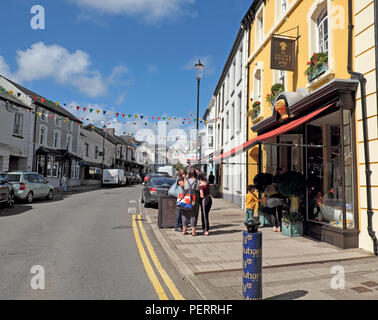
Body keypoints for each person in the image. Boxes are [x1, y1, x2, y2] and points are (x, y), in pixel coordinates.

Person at [181, 168, 199, 236]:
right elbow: (197, 190)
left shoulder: (186, 181)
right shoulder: (196, 181)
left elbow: (185, 189)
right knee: (193, 214)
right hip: (194, 199)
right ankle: (193, 231)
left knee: (184, 214)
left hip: (186, 198)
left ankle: (184, 231)